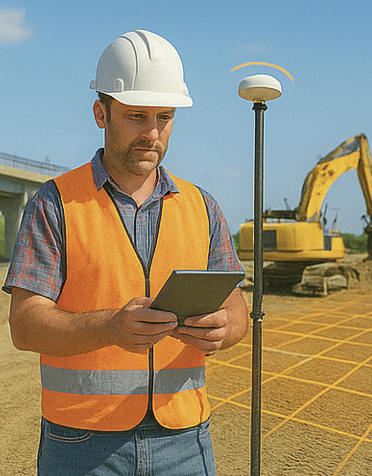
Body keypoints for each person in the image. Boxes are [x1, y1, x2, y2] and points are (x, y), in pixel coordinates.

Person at [4, 30, 248, 476]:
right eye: (136, 115)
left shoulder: (203, 206)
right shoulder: (54, 203)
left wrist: (223, 328)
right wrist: (111, 326)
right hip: (81, 443)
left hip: (185, 439)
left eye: (164, 117)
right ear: (101, 113)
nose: (151, 133)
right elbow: (24, 325)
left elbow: (237, 312)